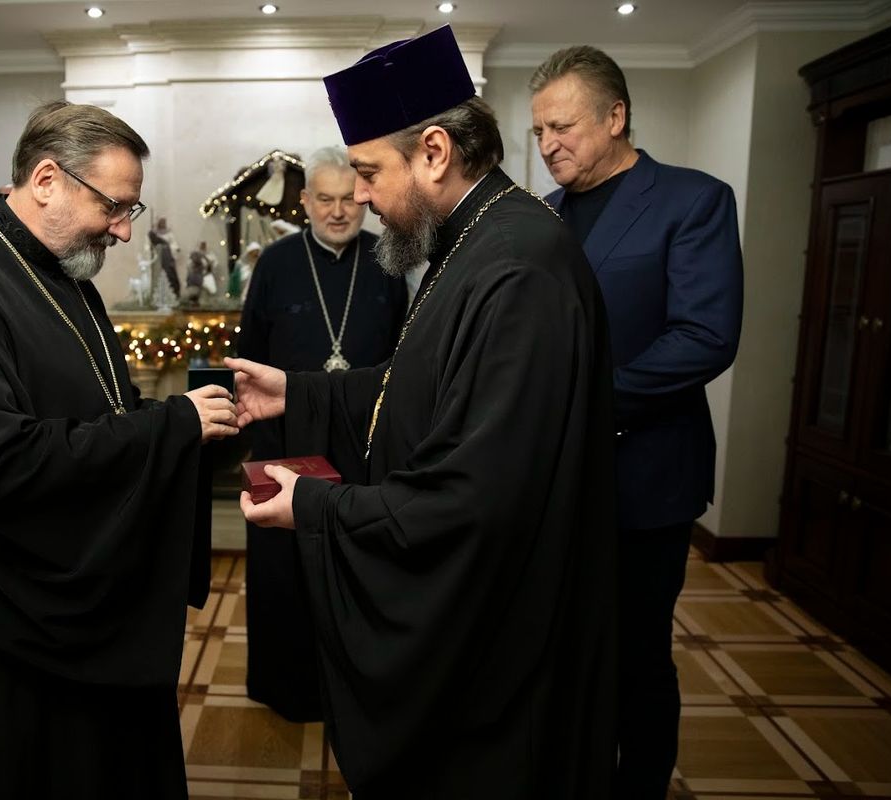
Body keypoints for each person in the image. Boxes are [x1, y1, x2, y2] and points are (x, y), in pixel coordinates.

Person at [226, 25, 616, 798]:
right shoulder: (470, 243)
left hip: (504, 655)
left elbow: (476, 498)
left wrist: (321, 507)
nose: (361, 196)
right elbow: (424, 384)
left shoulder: (518, 268)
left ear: (434, 151)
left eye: (370, 172)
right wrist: (301, 391)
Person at [0, 100, 239, 799]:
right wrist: (169, 427)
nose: (127, 229)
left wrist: (182, 420)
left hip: (65, 603)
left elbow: (98, 409)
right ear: (47, 180)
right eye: (115, 205)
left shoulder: (62, 272)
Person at [529, 46, 743, 799]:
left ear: (615, 117)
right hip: (553, 481)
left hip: (643, 480)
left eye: (563, 126)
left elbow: (706, 335)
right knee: (562, 648)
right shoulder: (543, 218)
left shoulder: (694, 200)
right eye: (539, 132)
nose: (549, 143)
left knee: (635, 656)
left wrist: (586, 402)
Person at [237, 146, 408, 722]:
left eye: (347, 200)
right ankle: (287, 688)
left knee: (355, 573)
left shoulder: (387, 259)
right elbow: (252, 353)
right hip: (284, 447)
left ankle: (354, 689)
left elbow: (403, 359)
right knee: (284, 574)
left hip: (363, 450)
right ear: (305, 200)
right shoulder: (277, 262)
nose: (338, 213)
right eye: (324, 200)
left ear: (362, 197)